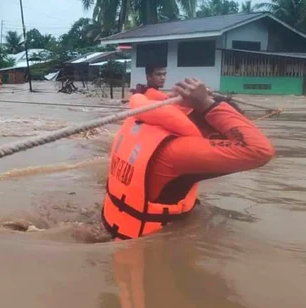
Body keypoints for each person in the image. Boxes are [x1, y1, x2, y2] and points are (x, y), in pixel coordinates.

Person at [102, 77, 275, 240]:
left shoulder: (148, 126)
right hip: (150, 246)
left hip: (114, 227)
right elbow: (259, 150)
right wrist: (208, 104)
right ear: (215, 135)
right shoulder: (179, 152)